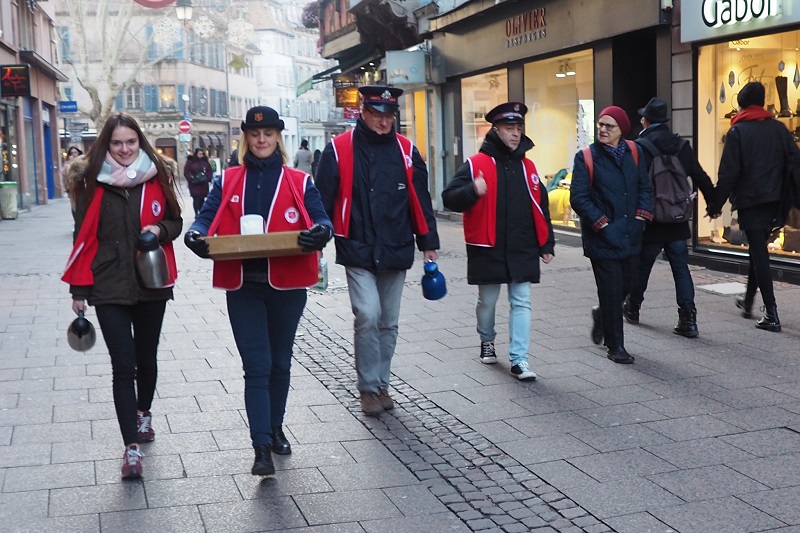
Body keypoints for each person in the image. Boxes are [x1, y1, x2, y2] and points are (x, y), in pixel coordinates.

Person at [184, 106, 333, 476]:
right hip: (244, 286)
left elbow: (320, 218)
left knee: (280, 363)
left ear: (278, 137)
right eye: (255, 134)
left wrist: (322, 232)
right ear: (246, 139)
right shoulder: (229, 179)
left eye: (268, 133)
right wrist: (195, 234)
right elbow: (208, 216)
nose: (261, 139)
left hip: (286, 284)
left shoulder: (299, 180)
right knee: (257, 366)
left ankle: (276, 426)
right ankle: (261, 447)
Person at [61, 113, 183, 478]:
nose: (125, 149)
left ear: (139, 142)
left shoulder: (157, 175)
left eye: (131, 142)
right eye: (117, 143)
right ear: (106, 145)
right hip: (107, 283)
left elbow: (176, 221)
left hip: (151, 281)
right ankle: (131, 448)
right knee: (122, 364)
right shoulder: (91, 182)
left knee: (146, 357)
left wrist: (158, 230)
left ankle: (143, 413)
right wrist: (79, 289)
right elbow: (82, 236)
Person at [315, 85, 440, 416]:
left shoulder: (407, 151)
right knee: (368, 315)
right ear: (363, 113)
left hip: (396, 245)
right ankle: (368, 388)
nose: (383, 122)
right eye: (376, 114)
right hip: (356, 245)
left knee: (389, 321)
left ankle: (382, 384)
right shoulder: (338, 150)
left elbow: (421, 200)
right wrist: (317, 242)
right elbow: (321, 201)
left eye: (388, 115)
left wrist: (429, 242)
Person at [442, 102, 555, 381]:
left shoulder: (528, 166)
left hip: (522, 245)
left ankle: (519, 359)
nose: (515, 134)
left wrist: (546, 244)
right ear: (496, 130)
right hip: (488, 246)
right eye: (509, 128)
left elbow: (541, 205)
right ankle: (487, 339)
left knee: (522, 301)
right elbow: (449, 198)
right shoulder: (476, 163)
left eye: (518, 128)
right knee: (487, 301)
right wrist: (472, 190)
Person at [623, 97, 716, 337]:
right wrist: (714, 204)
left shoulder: (640, 146)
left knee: (643, 266)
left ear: (645, 120)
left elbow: (632, 185)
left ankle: (633, 307)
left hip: (652, 219)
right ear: (665, 120)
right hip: (677, 218)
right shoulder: (682, 146)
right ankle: (688, 319)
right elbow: (700, 176)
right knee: (680, 269)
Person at [569, 106, 653, 364]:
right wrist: (603, 225)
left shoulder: (635, 152)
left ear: (622, 130)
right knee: (611, 289)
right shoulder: (586, 157)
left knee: (629, 284)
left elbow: (645, 188)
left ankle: (602, 315)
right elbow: (579, 198)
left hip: (630, 233)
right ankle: (616, 347)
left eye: (609, 126)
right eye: (600, 125)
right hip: (602, 237)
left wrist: (641, 217)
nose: (603, 130)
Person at [711, 81, 793, 332]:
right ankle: (747, 302)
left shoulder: (738, 132)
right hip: (776, 201)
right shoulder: (779, 129)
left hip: (752, 200)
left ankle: (771, 312)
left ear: (742, 104)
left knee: (759, 252)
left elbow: (728, 173)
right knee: (757, 250)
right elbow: (794, 161)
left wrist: (716, 203)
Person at [184, 147, 214, 216]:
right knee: (196, 198)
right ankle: (196, 213)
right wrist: (191, 179)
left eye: (202, 154)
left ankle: (201, 211)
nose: (201, 156)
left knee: (202, 199)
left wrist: (208, 178)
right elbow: (186, 172)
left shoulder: (205, 162)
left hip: (203, 183)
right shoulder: (190, 161)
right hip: (194, 184)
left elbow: (210, 171)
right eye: (199, 154)